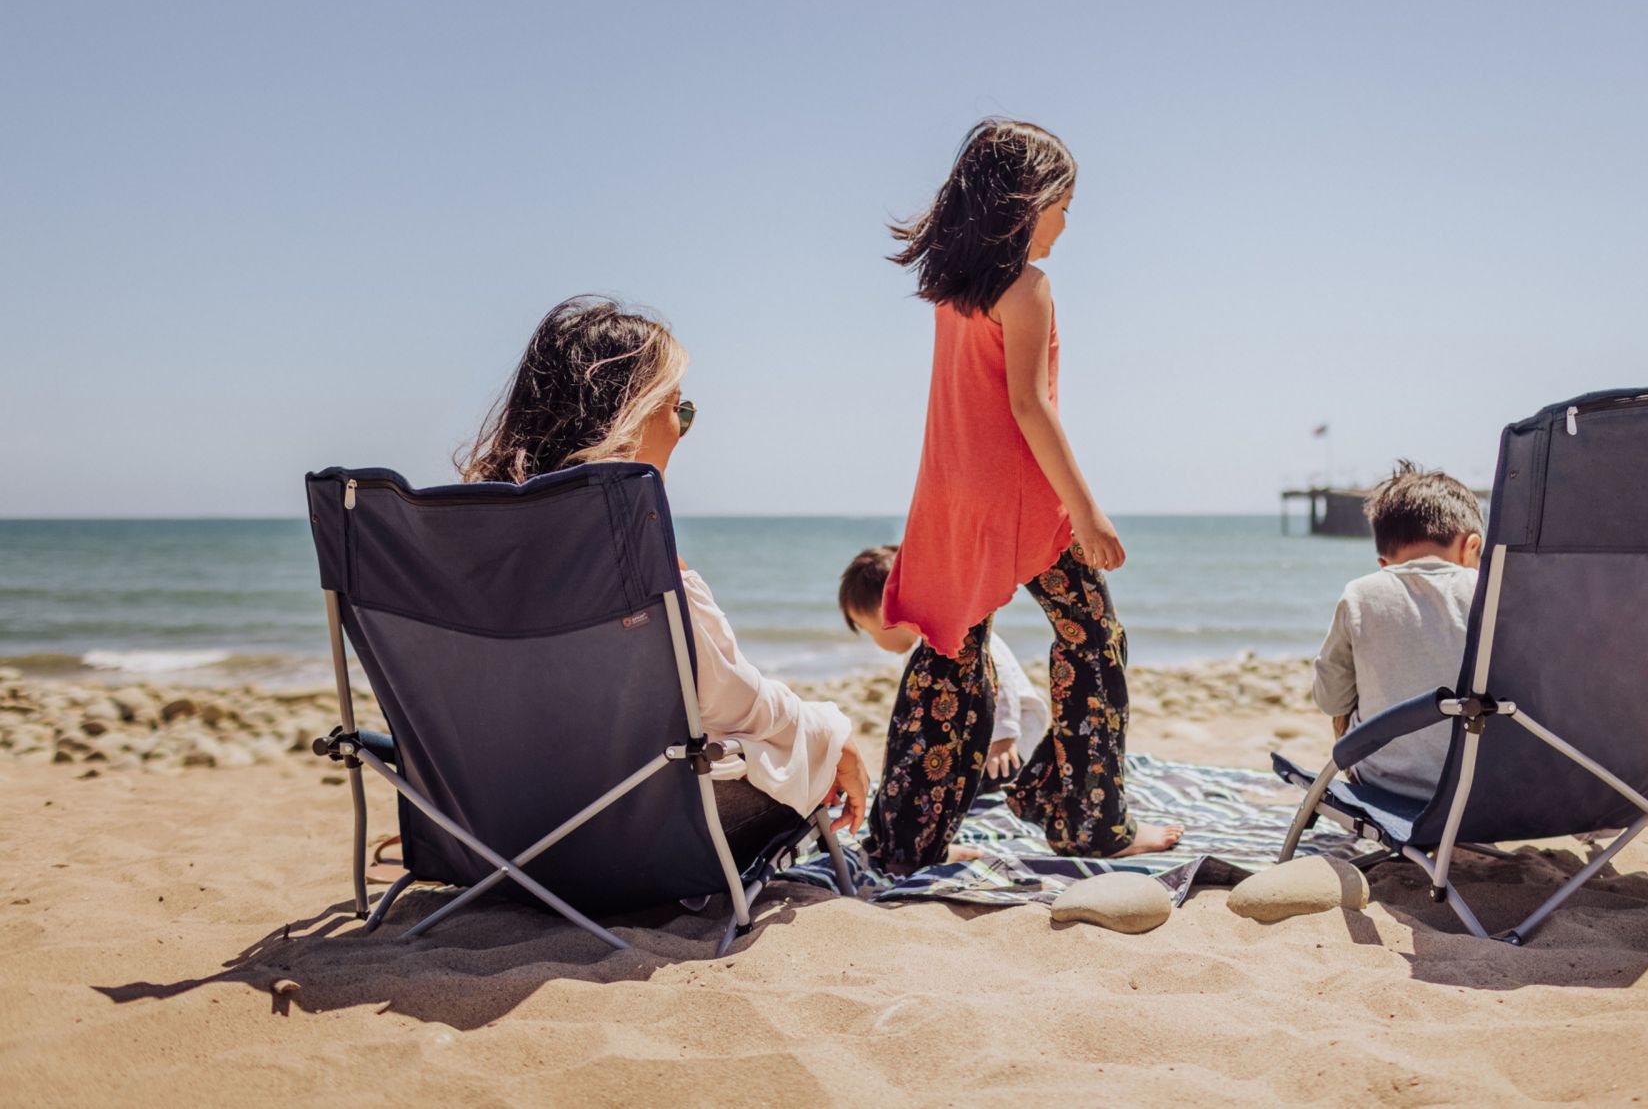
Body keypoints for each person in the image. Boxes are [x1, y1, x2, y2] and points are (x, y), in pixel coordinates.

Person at [867, 118, 1181, 874]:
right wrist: (1087, 510)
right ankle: (1084, 818)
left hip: (947, 491)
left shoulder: (952, 289)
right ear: (1024, 201)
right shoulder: (1029, 288)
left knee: (952, 654)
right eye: (1063, 205)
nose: (1067, 224)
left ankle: (904, 840)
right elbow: (1030, 408)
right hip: (1015, 498)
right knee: (1094, 636)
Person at [459, 296, 871, 858]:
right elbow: (728, 703)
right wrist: (830, 733)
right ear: (628, 416)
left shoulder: (471, 544)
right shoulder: (629, 547)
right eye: (679, 408)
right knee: (803, 746)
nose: (682, 429)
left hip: (492, 831)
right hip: (629, 842)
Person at [1313, 461, 1485, 801]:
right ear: (1472, 547)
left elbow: (1330, 698)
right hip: (1486, 791)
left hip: (1385, 789)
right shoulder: (1495, 592)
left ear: (1383, 564)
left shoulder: (1361, 593)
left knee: (1348, 688)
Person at [839, 544, 1049, 785]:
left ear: (891, 616)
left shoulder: (959, 635)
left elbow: (999, 676)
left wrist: (1004, 737)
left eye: (869, 631)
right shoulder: (918, 655)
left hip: (1012, 735)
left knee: (983, 784)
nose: (874, 641)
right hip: (974, 733)